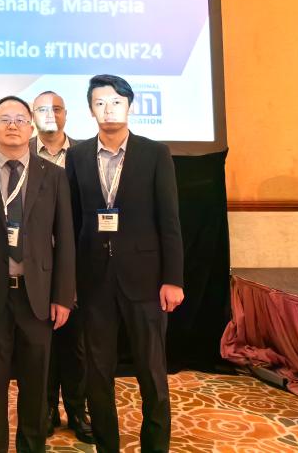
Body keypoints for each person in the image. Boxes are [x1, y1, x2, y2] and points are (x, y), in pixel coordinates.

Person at [65, 74, 184, 453]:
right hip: (93, 282)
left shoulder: (155, 153)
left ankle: (155, 447)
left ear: (130, 106)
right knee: (97, 374)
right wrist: (70, 282)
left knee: (152, 373)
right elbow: (72, 222)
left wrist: (173, 279)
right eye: (100, 103)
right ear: (90, 110)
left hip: (146, 281)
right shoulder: (77, 156)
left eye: (116, 102)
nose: (108, 109)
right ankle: (107, 446)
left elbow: (169, 221)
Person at [0, 96, 75, 453]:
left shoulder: (53, 175)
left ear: (31, 127)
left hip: (37, 295)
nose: (12, 125)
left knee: (36, 383)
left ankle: (32, 446)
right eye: (4, 119)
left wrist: (63, 296)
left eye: (20, 119)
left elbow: (66, 239)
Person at [29, 90, 93, 443]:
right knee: (42, 345)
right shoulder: (22, 154)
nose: (50, 115)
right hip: (35, 263)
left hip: (76, 261)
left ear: (66, 114)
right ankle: (47, 410)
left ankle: (78, 411)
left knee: (75, 344)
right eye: (43, 109)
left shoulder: (84, 155)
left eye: (56, 109)